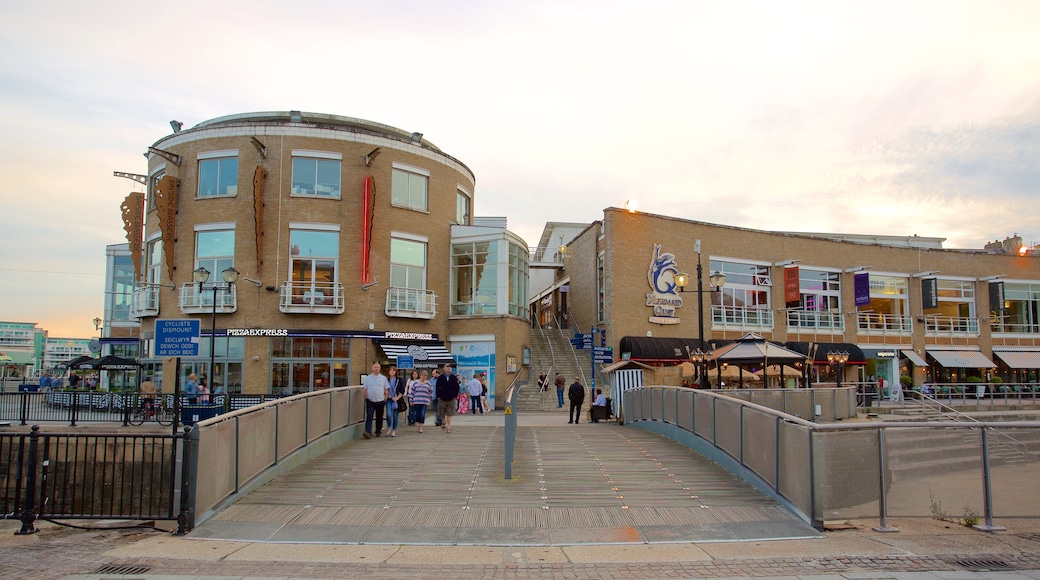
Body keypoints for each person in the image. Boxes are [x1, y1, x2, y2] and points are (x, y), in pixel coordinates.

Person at [363, 362, 390, 439]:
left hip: (380, 400)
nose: (376, 369)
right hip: (370, 400)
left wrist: (386, 397)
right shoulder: (368, 378)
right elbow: (365, 389)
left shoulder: (383, 378)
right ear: (372, 368)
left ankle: (378, 431)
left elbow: (386, 389)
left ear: (380, 369)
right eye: (375, 367)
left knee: (379, 417)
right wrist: (366, 397)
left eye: (378, 367)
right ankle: (368, 432)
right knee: (369, 416)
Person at [435, 363, 461, 433]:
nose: (449, 368)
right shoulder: (440, 378)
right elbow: (437, 387)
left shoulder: (453, 377)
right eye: (447, 367)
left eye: (450, 367)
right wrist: (438, 396)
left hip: (451, 398)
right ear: (444, 368)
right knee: (442, 412)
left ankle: (449, 426)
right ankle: (443, 420)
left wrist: (455, 395)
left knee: (450, 412)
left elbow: (457, 387)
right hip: (442, 398)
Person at [385, 366, 402, 437]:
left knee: (395, 416)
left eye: (393, 371)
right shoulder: (386, 380)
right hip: (389, 399)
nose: (392, 372)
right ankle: (389, 426)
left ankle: (394, 430)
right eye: (390, 370)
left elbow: (402, 390)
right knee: (388, 414)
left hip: (396, 399)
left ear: (396, 372)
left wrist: (397, 398)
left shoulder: (399, 380)